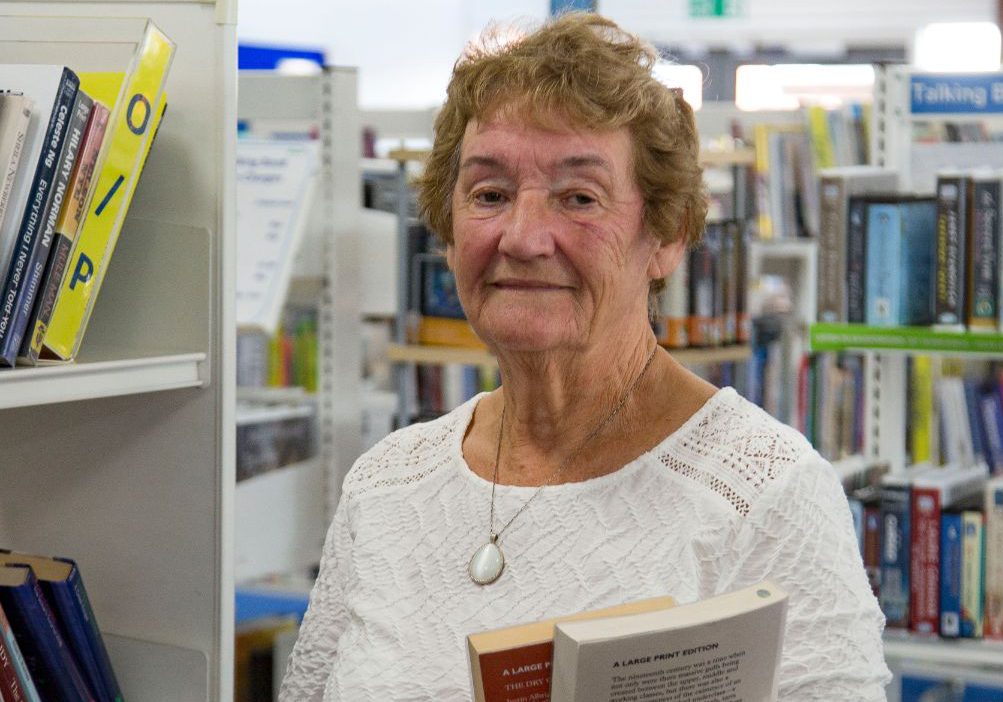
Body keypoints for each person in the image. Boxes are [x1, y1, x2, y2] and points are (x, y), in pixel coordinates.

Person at [279, 12, 890, 700]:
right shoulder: (386, 486)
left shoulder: (764, 493)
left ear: (666, 235)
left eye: (578, 197)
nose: (523, 236)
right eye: (489, 194)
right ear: (446, 232)